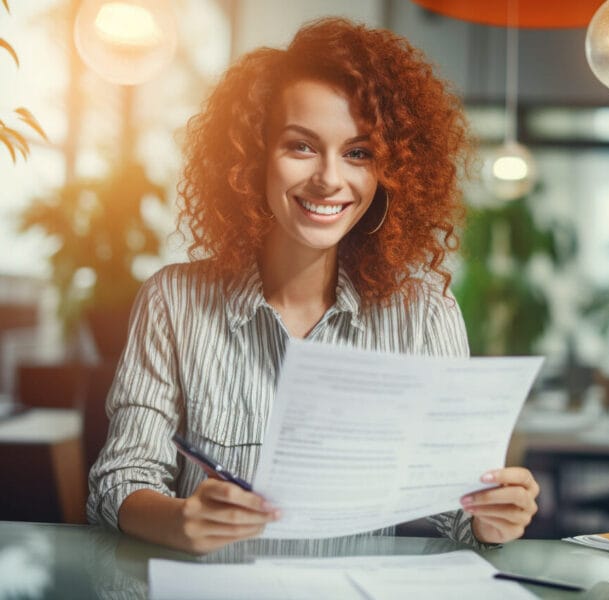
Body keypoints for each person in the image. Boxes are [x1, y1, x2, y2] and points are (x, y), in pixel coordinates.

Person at [87, 17, 540, 555]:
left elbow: (457, 511)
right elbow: (120, 479)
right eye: (301, 147)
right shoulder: (173, 301)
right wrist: (181, 520)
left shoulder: (425, 313)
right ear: (252, 159)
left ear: (390, 172)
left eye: (358, 153)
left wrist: (495, 516)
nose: (329, 178)